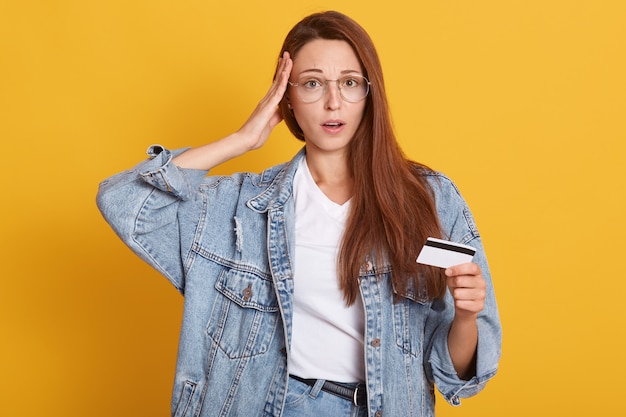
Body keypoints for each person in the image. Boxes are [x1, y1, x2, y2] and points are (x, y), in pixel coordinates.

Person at [97, 10, 501, 417]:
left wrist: (466, 317)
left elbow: (458, 376)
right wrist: (241, 140)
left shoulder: (430, 199)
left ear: (369, 93)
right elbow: (124, 201)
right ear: (285, 96)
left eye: (348, 82)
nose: (332, 101)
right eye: (312, 83)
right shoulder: (240, 208)